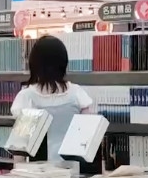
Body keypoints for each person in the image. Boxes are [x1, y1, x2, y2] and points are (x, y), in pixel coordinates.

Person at [11, 35, 93, 164]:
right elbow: (88, 137)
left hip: (39, 170)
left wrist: (17, 170)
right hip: (73, 168)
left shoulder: (26, 97)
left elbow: (20, 148)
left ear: (34, 64)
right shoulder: (77, 93)